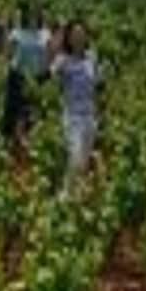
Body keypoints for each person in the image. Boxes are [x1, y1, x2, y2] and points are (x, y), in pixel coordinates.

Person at [48, 19, 103, 191]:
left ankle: (77, 197)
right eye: (74, 34)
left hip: (90, 116)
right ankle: (64, 197)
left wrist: (99, 113)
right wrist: (54, 45)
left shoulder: (92, 57)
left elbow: (97, 85)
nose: (78, 37)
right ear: (69, 38)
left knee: (84, 163)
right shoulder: (63, 60)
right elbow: (48, 74)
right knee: (75, 158)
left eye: (81, 34)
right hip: (72, 117)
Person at [0, 0, 52, 147]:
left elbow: (50, 57)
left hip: (39, 78)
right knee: (17, 115)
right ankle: (15, 145)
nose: (32, 15)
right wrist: (4, 30)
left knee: (34, 114)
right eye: (29, 12)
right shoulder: (17, 33)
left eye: (36, 12)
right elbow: (7, 54)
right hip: (18, 77)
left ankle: (31, 145)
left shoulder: (45, 33)